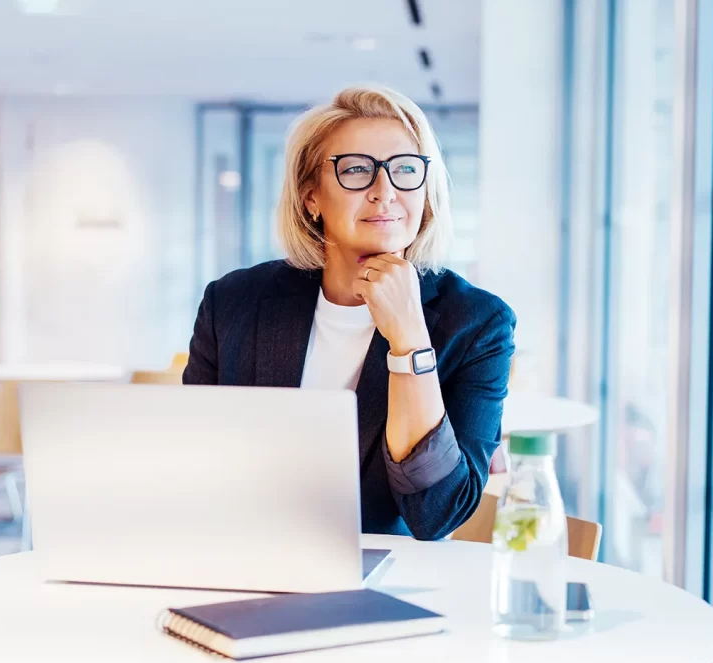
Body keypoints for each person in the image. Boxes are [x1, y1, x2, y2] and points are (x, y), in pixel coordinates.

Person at [183, 85, 515, 540]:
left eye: (404, 170)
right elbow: (191, 464)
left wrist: (409, 341)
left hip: (385, 580)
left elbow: (436, 513)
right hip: (243, 557)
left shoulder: (477, 323)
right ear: (311, 198)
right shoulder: (233, 302)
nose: (385, 192)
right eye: (357, 170)